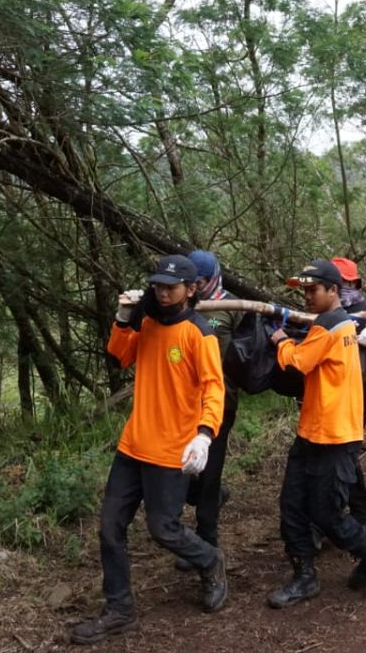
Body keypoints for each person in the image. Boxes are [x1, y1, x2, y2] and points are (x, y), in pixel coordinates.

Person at [72, 255, 227, 645]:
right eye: (157, 285)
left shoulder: (199, 333)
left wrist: (205, 435)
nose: (161, 292)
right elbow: (120, 355)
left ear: (190, 290)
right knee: (110, 527)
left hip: (172, 450)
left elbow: (214, 388)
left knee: (163, 529)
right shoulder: (148, 321)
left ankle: (209, 559)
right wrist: (124, 318)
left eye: (170, 287)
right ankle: (119, 609)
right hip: (133, 444)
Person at [266, 260, 366, 608]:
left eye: (313, 290)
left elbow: (296, 362)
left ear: (333, 291)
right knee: (292, 507)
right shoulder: (337, 324)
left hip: (335, 436)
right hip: (312, 431)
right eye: (304, 291)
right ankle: (304, 577)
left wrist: (279, 339)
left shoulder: (332, 326)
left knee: (328, 514)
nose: (307, 296)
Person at [174, 251, 240, 572]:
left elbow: (248, 350)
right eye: (192, 282)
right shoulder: (182, 306)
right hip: (183, 401)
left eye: (200, 281)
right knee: (179, 468)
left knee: (210, 470)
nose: (196, 287)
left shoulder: (233, 306)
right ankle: (209, 496)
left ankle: (206, 540)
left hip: (219, 400)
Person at [331, 256, 366, 528]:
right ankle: (351, 507)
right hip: (326, 392)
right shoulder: (323, 309)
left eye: (341, 280)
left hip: (357, 393)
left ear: (352, 281)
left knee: (345, 451)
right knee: (337, 453)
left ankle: (350, 510)